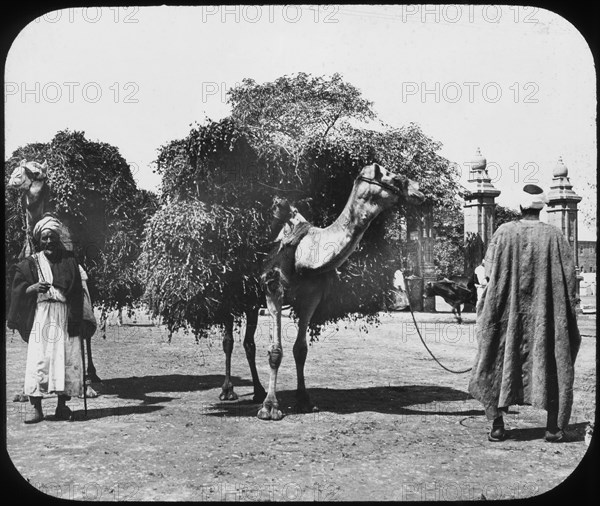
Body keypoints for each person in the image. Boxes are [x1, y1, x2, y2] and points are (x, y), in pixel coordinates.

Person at [468, 184, 580, 443]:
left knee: (494, 357)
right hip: (546, 317)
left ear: (520, 207)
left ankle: (497, 426)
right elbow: (569, 279)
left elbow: (487, 273)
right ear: (541, 209)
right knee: (554, 359)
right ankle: (553, 428)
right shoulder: (555, 236)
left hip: (506, 315)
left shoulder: (503, 233)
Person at [7, 214, 84, 423]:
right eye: (44, 238)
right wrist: (31, 288)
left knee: (64, 359)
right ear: (38, 240)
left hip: (64, 316)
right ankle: (37, 409)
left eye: (52, 237)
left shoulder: (69, 261)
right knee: (39, 360)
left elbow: (77, 291)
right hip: (41, 317)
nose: (49, 241)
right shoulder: (29, 264)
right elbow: (15, 289)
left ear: (57, 238)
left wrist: (78, 320)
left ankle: (61, 407)